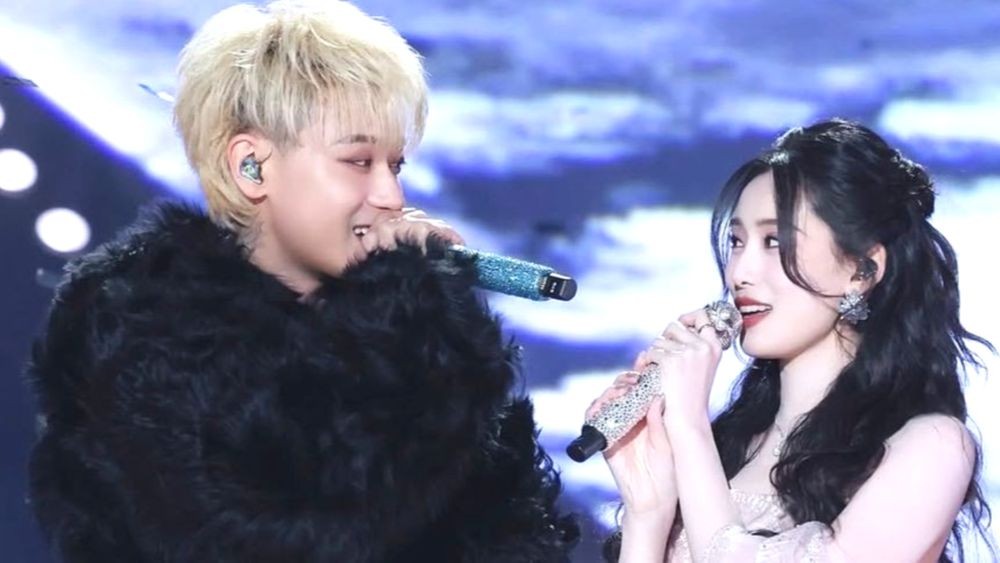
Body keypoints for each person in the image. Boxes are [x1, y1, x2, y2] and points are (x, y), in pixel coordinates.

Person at [26, 1, 578, 561]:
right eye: (358, 161)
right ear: (251, 166)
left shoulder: (422, 358)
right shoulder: (135, 336)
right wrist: (411, 311)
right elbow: (297, 523)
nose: (391, 196)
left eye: (395, 165)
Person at [590, 119, 993, 562]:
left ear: (862, 271)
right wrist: (648, 513)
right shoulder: (727, 447)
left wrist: (689, 427)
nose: (740, 272)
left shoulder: (931, 446)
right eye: (736, 241)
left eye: (774, 241)